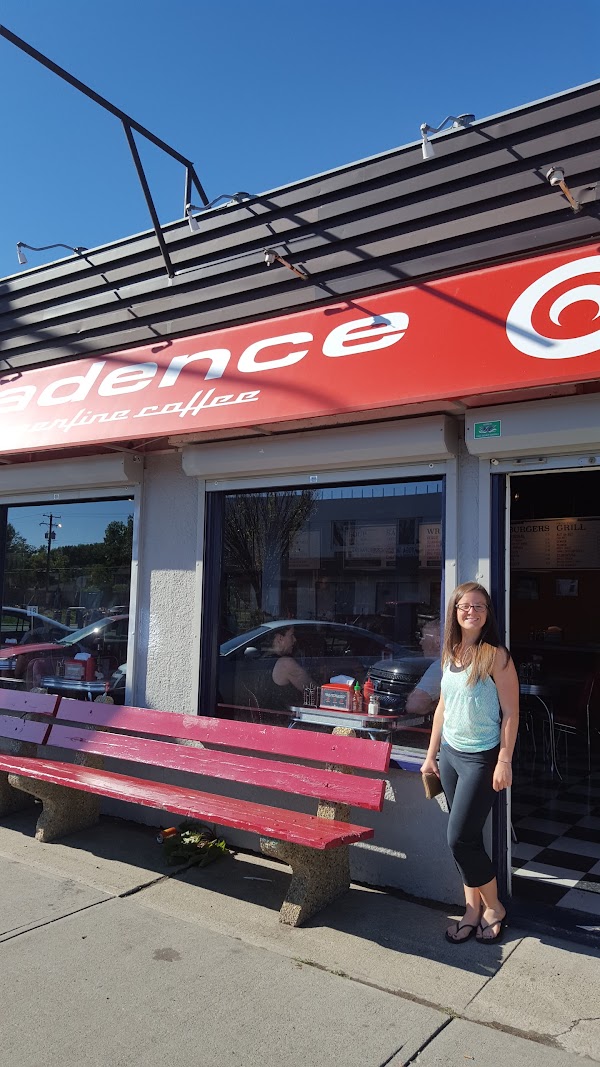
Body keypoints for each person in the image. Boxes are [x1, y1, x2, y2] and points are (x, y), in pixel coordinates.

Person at [420, 582, 519, 945]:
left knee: (459, 839)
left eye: (479, 606)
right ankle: (472, 909)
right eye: (465, 606)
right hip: (450, 756)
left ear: (487, 613)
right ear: (455, 611)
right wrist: (431, 755)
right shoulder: (450, 652)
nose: (471, 611)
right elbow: (443, 708)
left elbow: (511, 712)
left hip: (481, 759)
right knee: (468, 838)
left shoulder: (496, 656)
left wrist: (504, 760)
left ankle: (494, 908)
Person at [259, 625, 314, 712]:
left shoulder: (262, 659)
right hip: (284, 717)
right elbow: (313, 691)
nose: (294, 640)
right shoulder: (285, 664)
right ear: (280, 639)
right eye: (291, 635)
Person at [405, 618, 442, 718]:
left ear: (438, 642)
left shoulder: (440, 667)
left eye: (424, 637)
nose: (421, 642)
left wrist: (437, 707)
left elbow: (415, 705)